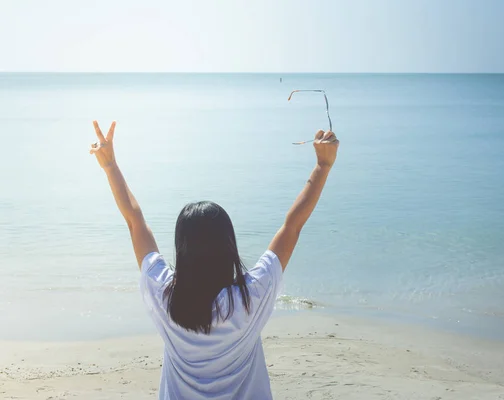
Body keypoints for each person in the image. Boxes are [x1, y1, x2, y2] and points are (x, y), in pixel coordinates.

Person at [89, 120, 339, 399]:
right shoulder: (250, 299)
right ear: (228, 247)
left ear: (181, 250)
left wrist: (110, 166)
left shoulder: (164, 296)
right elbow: (292, 227)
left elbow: (135, 223)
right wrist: (322, 166)